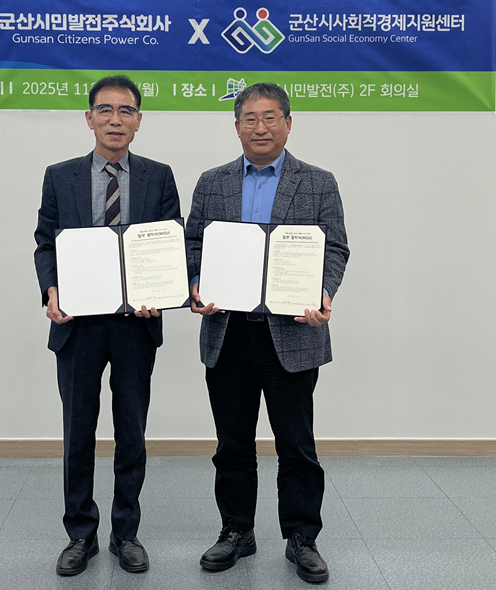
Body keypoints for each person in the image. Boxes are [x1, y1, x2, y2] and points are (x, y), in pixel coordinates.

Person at [186, 82, 349, 584]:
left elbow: (335, 248)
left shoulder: (318, 182)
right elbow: (193, 244)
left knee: (296, 445)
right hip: (228, 333)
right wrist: (195, 284)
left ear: (288, 123)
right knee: (232, 443)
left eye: (270, 117)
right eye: (250, 119)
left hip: (293, 333)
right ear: (236, 126)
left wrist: (324, 293)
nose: (260, 127)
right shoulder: (212, 182)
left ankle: (302, 537)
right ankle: (237, 530)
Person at [34, 75, 180, 576]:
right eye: (105, 110)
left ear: (138, 121)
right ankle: (80, 534)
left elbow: (170, 243)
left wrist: (162, 293)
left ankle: (126, 533)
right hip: (78, 324)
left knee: (131, 432)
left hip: (135, 325)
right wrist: (51, 291)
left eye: (126, 111)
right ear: (89, 117)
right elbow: (45, 244)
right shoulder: (61, 176)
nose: (115, 119)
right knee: (78, 433)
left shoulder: (159, 177)